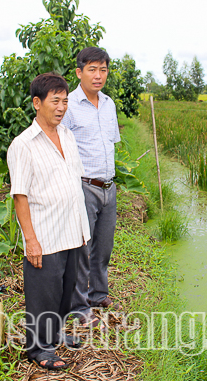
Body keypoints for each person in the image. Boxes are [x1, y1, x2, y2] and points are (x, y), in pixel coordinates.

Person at [7, 72, 90, 370]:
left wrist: (83, 227)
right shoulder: (23, 145)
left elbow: (73, 180)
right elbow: (20, 196)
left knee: (66, 291)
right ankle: (39, 349)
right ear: (36, 103)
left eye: (65, 101)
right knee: (44, 294)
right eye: (55, 101)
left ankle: (54, 336)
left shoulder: (67, 135)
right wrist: (30, 239)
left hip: (73, 229)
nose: (61, 107)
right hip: (46, 234)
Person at [62, 47, 121, 327]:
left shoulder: (109, 104)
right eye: (92, 69)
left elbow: (111, 143)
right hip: (84, 186)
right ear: (79, 72)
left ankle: (98, 293)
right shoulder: (68, 105)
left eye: (103, 70)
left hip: (109, 187)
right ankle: (78, 306)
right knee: (81, 248)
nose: (99, 76)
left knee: (103, 248)